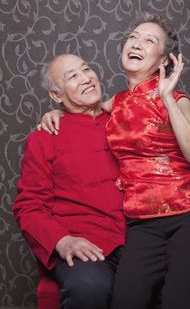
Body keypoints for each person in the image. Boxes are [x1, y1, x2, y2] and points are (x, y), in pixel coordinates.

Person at [39, 13, 190, 309]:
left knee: (181, 302)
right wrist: (58, 110)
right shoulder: (117, 101)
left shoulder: (177, 99)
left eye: (149, 40)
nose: (137, 43)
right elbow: (84, 108)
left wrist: (166, 98)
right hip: (143, 224)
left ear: (163, 60)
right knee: (126, 300)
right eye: (133, 37)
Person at [13, 54, 127, 309]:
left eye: (86, 69)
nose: (86, 78)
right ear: (56, 95)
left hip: (137, 239)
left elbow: (164, 164)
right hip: (83, 244)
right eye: (72, 76)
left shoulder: (125, 122)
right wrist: (62, 241)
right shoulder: (44, 138)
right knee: (90, 288)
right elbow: (29, 207)